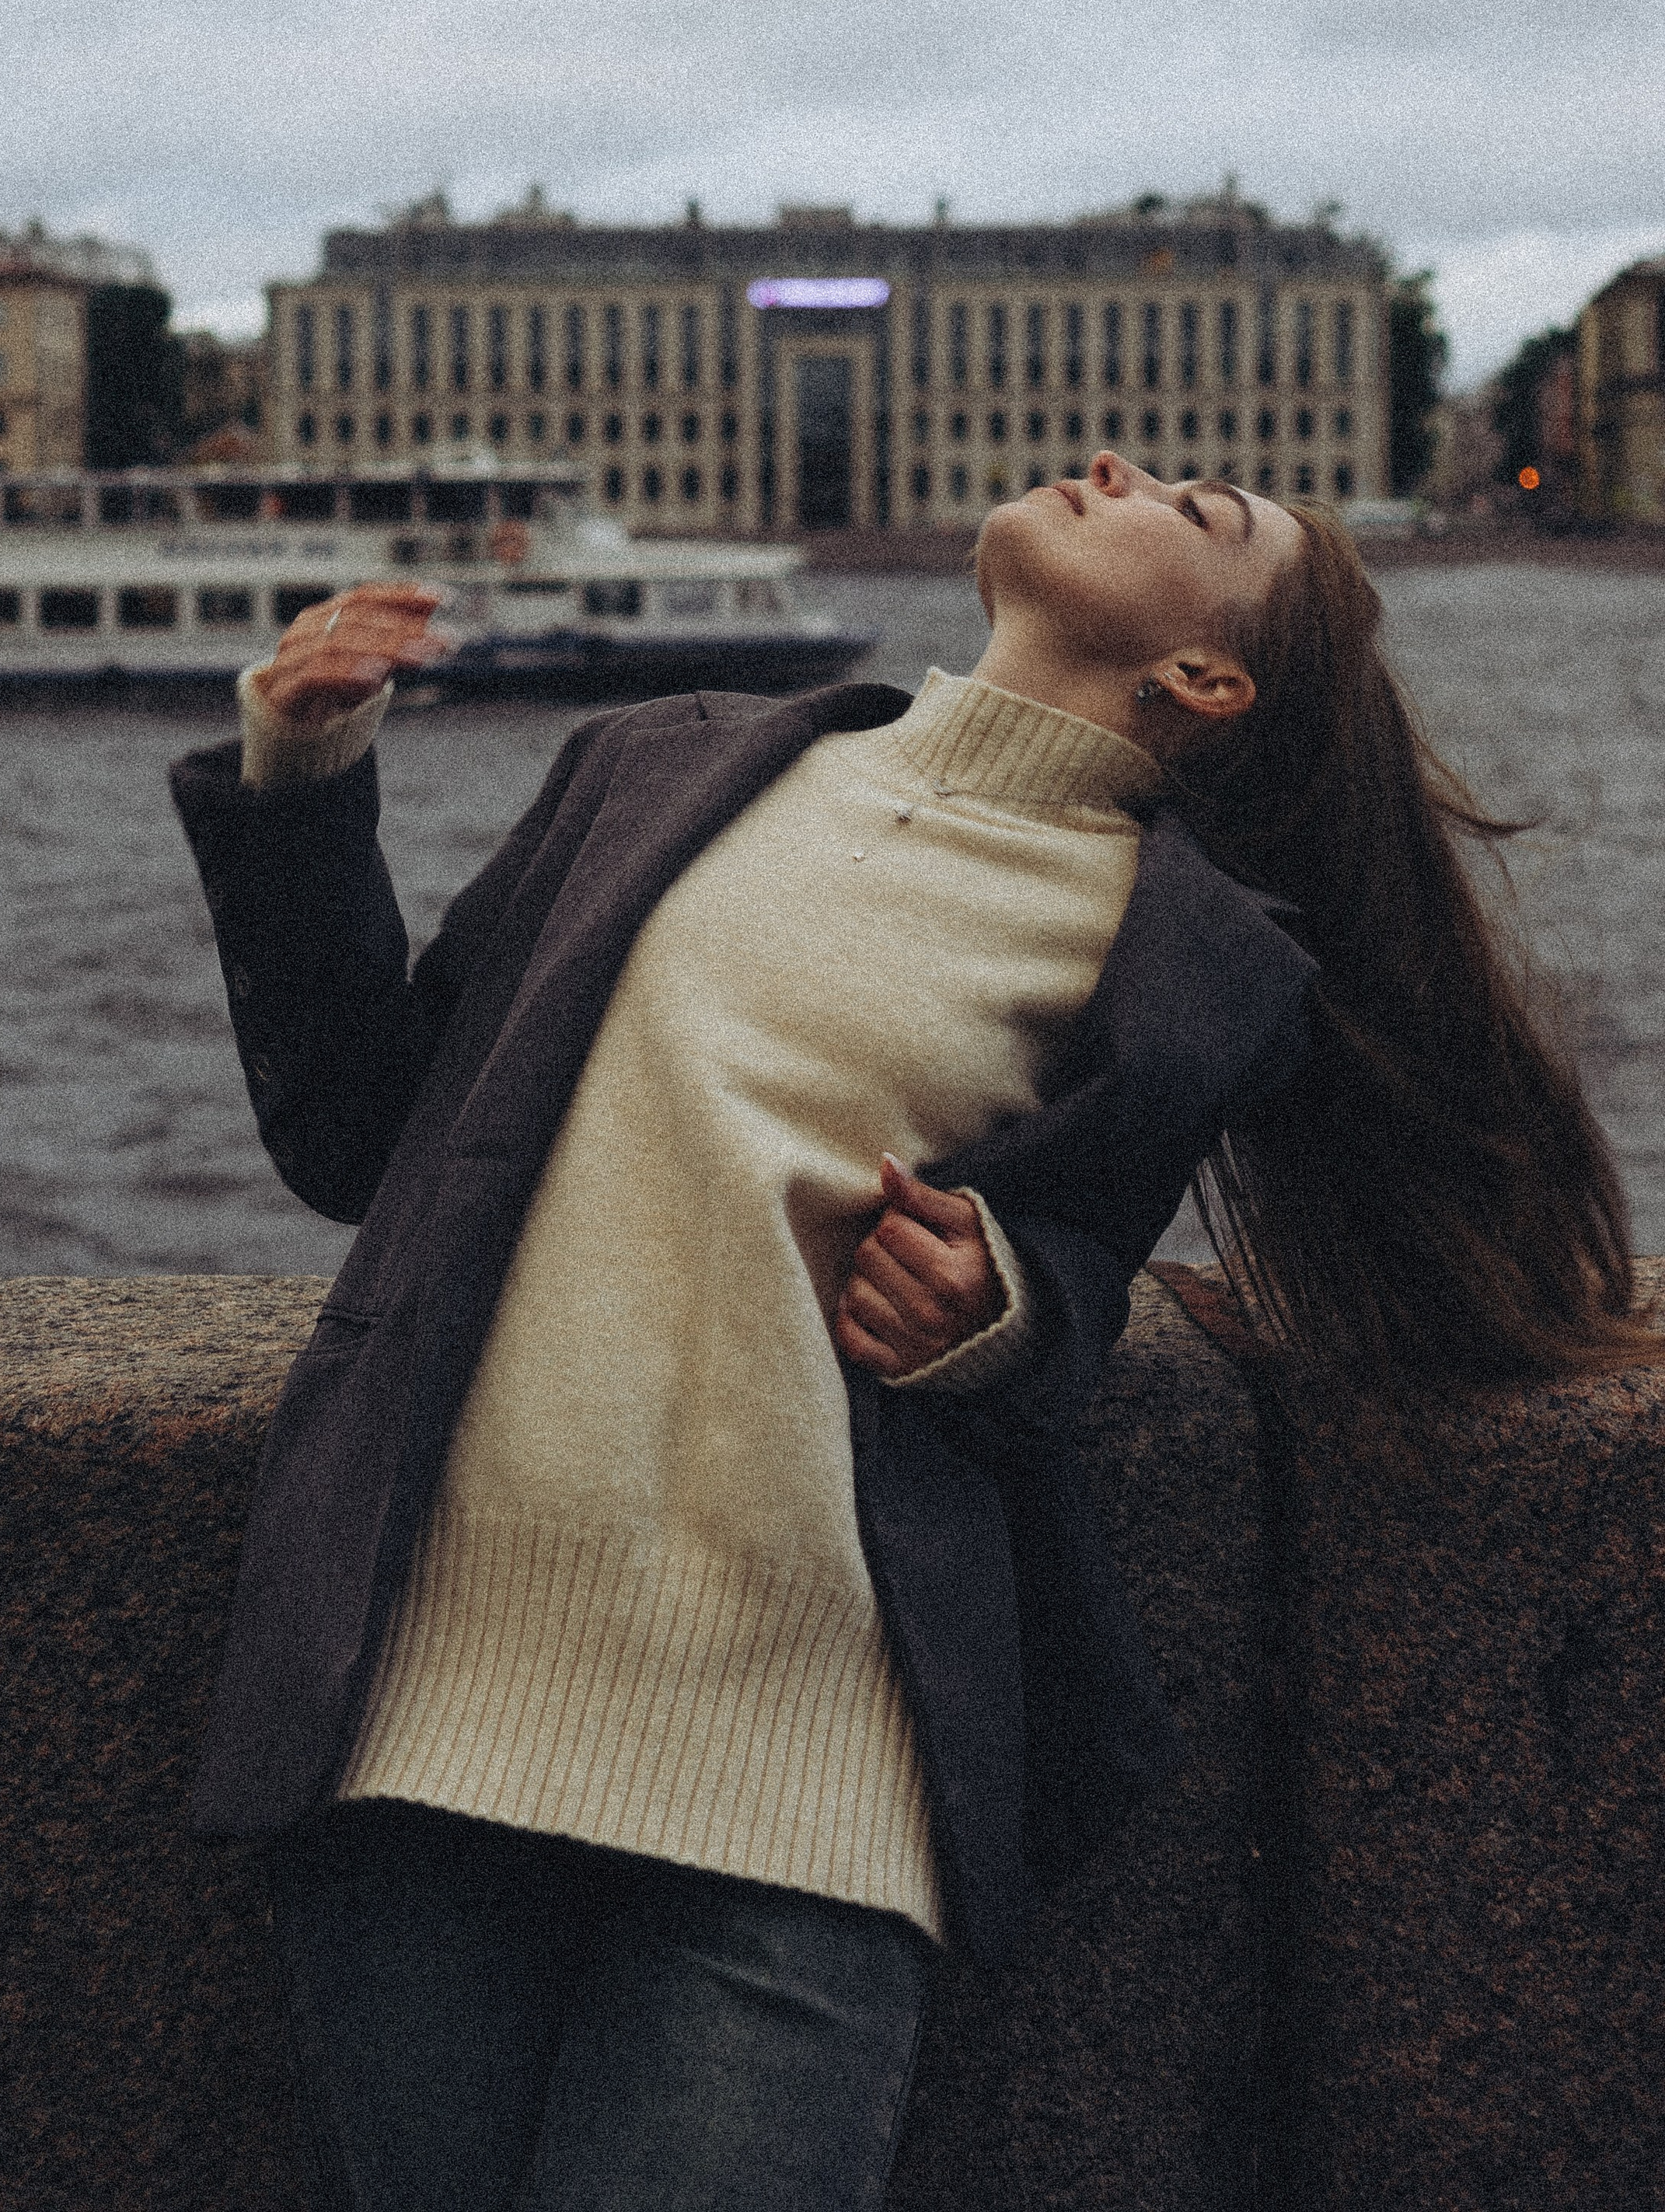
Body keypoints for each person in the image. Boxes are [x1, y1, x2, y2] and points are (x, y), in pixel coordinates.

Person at [170, 452, 1656, 2212]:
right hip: (422, 1695)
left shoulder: (1189, 964)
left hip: (808, 1765)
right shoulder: (657, 762)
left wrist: (996, 1311)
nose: (1119, 467)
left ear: (1205, 680)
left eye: (1199, 511)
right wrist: (301, 774)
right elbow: (362, 1134)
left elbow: (1075, 1290)